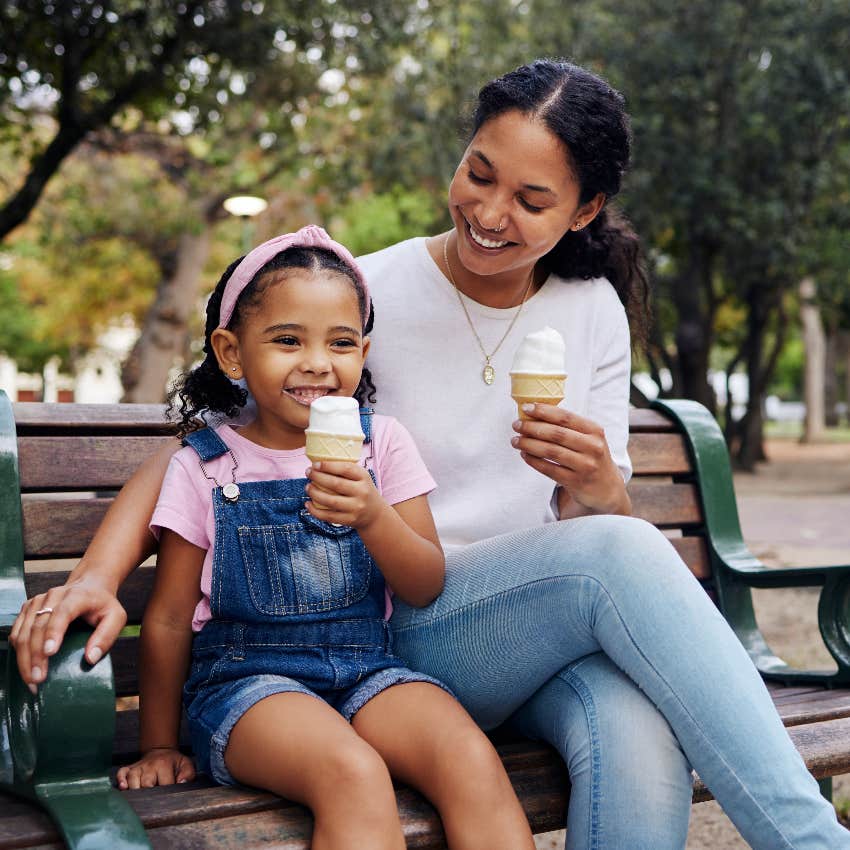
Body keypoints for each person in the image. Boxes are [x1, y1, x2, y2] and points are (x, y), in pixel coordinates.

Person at [11, 60, 849, 850]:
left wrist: (597, 485)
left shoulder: (591, 311)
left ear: (584, 211)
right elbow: (210, 452)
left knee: (637, 731)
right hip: (395, 620)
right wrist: (94, 573)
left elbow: (589, 531)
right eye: (479, 173)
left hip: (526, 632)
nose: (490, 213)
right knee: (621, 552)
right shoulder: (361, 299)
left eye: (530, 198)